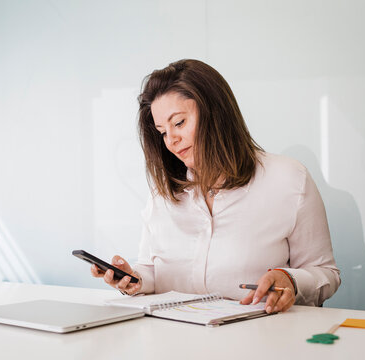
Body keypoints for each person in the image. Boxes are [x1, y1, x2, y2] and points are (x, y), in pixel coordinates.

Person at [91, 59, 340, 313]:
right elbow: (153, 271)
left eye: (178, 123)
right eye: (162, 132)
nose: (171, 141)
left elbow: (326, 274)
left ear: (215, 113)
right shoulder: (162, 193)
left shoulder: (288, 179)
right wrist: (134, 278)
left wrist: (291, 280)